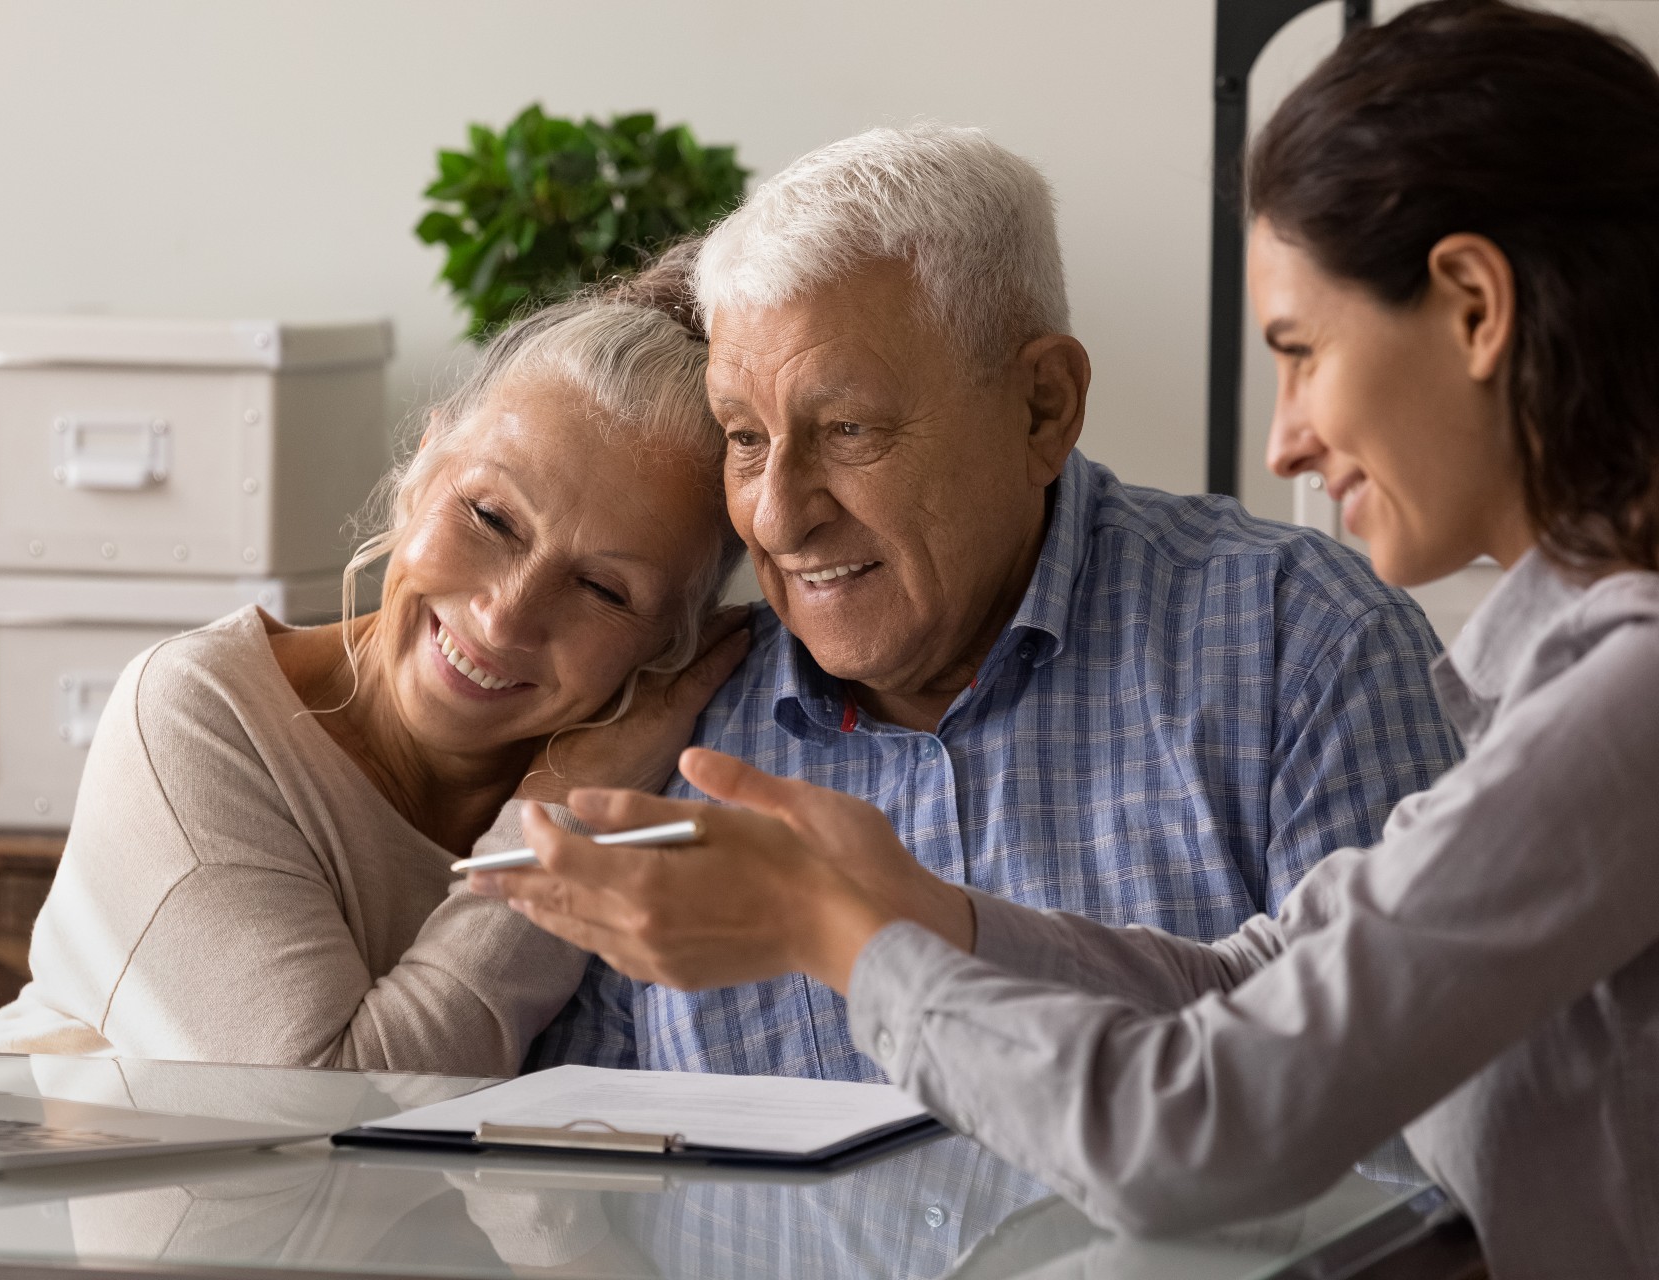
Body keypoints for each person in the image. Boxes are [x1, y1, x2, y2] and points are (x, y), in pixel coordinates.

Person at [474, 2, 1659, 1273]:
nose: (1285, 439)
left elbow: (1214, 1121)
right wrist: (916, 910)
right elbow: (1261, 990)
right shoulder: (1575, 685)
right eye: (748, 440)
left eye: (1302, 352)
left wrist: (836, 935)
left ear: (1477, 307)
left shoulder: (1623, 698)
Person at [524, 123, 1461, 1081]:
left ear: (1042, 408)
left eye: (849, 428)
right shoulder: (670, 726)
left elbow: (1403, 1116)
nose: (776, 519)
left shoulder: (1300, 643)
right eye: (744, 437)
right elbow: (579, 1167)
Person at [0, 270, 749, 1075]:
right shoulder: (197, 711)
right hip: (22, 1188)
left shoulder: (674, 775)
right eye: (490, 517)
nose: (506, 615)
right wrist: (556, 816)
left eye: (602, 590)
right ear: (420, 471)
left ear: (672, 644)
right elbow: (321, 1107)